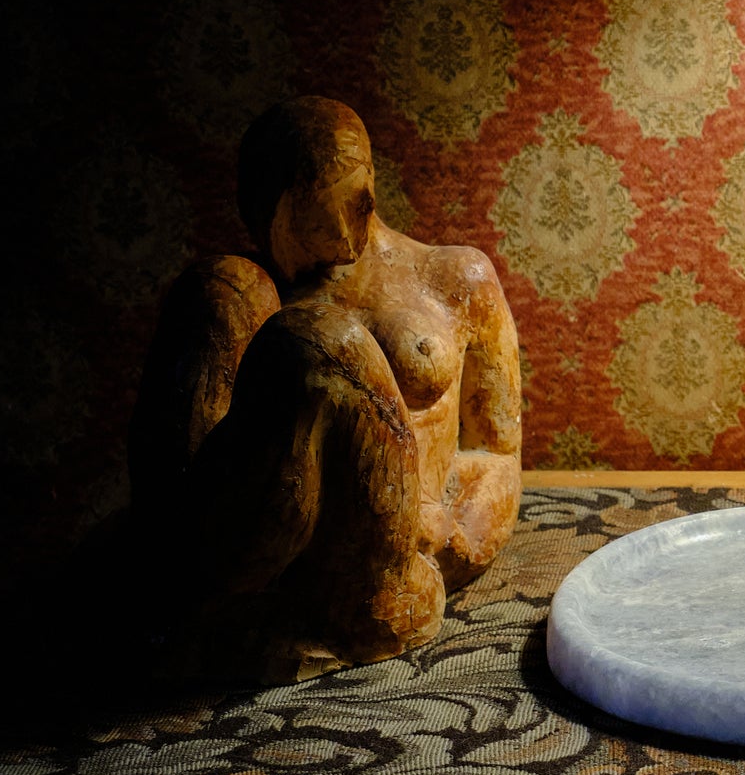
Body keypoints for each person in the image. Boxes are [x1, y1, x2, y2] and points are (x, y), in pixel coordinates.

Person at [129, 97, 521, 681]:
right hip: (254, 547)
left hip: (382, 561)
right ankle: (205, 606)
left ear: (362, 195)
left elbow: (498, 451)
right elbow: (179, 459)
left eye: (327, 205)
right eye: (289, 214)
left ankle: (349, 607)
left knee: (323, 340)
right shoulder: (247, 291)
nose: (322, 235)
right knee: (222, 289)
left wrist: (457, 533)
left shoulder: (452, 277)